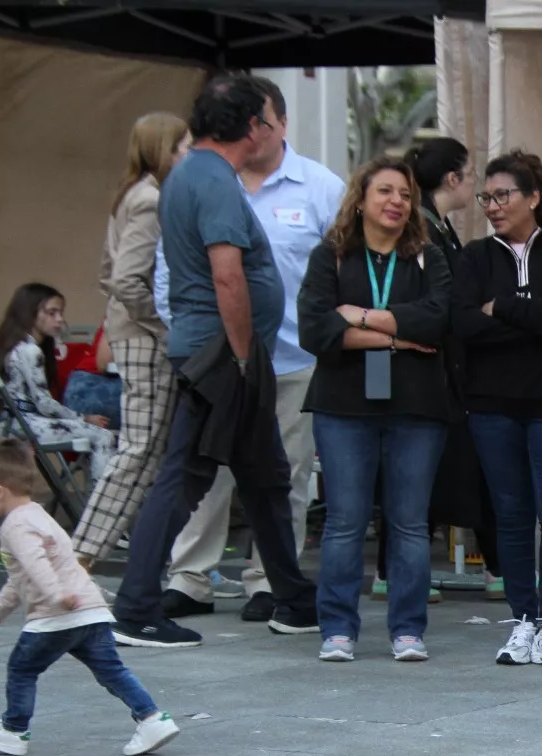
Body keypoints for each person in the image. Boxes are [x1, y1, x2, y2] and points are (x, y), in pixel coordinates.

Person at [111, 74, 319, 649]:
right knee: (183, 479)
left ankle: (295, 601)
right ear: (252, 127)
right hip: (225, 356)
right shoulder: (215, 182)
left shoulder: (190, 174)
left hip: (221, 352)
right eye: (268, 122)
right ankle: (135, 609)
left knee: (266, 478)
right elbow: (228, 274)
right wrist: (246, 357)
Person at [158, 77, 346, 624]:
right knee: (208, 473)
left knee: (284, 475)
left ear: (282, 123)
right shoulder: (210, 177)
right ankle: (190, 577)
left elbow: (344, 269)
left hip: (291, 359)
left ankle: (268, 578)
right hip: (217, 360)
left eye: (262, 121)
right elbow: (171, 269)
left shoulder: (321, 187)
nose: (253, 132)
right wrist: (197, 344)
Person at [298, 158, 452, 663]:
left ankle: (407, 629)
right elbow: (316, 330)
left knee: (409, 522)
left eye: (405, 195)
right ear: (360, 200)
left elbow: (439, 321)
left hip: (416, 405)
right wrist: (400, 338)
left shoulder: (429, 256)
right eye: (384, 192)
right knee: (345, 520)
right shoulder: (332, 257)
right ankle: (338, 628)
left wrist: (360, 318)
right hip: (343, 406)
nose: (396, 202)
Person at [454, 149, 542, 670]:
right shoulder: (473, 256)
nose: (492, 206)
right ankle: (524, 621)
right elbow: (464, 324)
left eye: (503, 195)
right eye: (486, 197)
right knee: (511, 514)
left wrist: (504, 307)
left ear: (534, 197)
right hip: (490, 404)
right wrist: (535, 312)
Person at [0, 439, 180, 756]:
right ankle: (152, 719)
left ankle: (13, 730)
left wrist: (56, 596)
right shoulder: (39, 516)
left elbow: (37, 566)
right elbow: (22, 577)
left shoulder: (15, 526)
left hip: (56, 617)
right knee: (112, 670)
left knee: (22, 669)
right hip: (90, 613)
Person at [395, 135, 495, 605]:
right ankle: (396, 571)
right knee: (428, 474)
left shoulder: (438, 228)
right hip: (429, 371)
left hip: (445, 369)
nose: (473, 184)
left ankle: (399, 570)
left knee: (435, 475)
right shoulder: (424, 232)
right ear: (452, 178)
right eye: (471, 174)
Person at [0, 285, 117, 482]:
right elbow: (44, 404)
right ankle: (100, 508)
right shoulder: (30, 351)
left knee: (90, 439)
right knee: (104, 437)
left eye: (60, 312)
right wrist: (83, 418)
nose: (60, 319)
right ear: (30, 315)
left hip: (7, 424)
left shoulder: (12, 346)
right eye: (52, 313)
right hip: (23, 425)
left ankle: (88, 500)